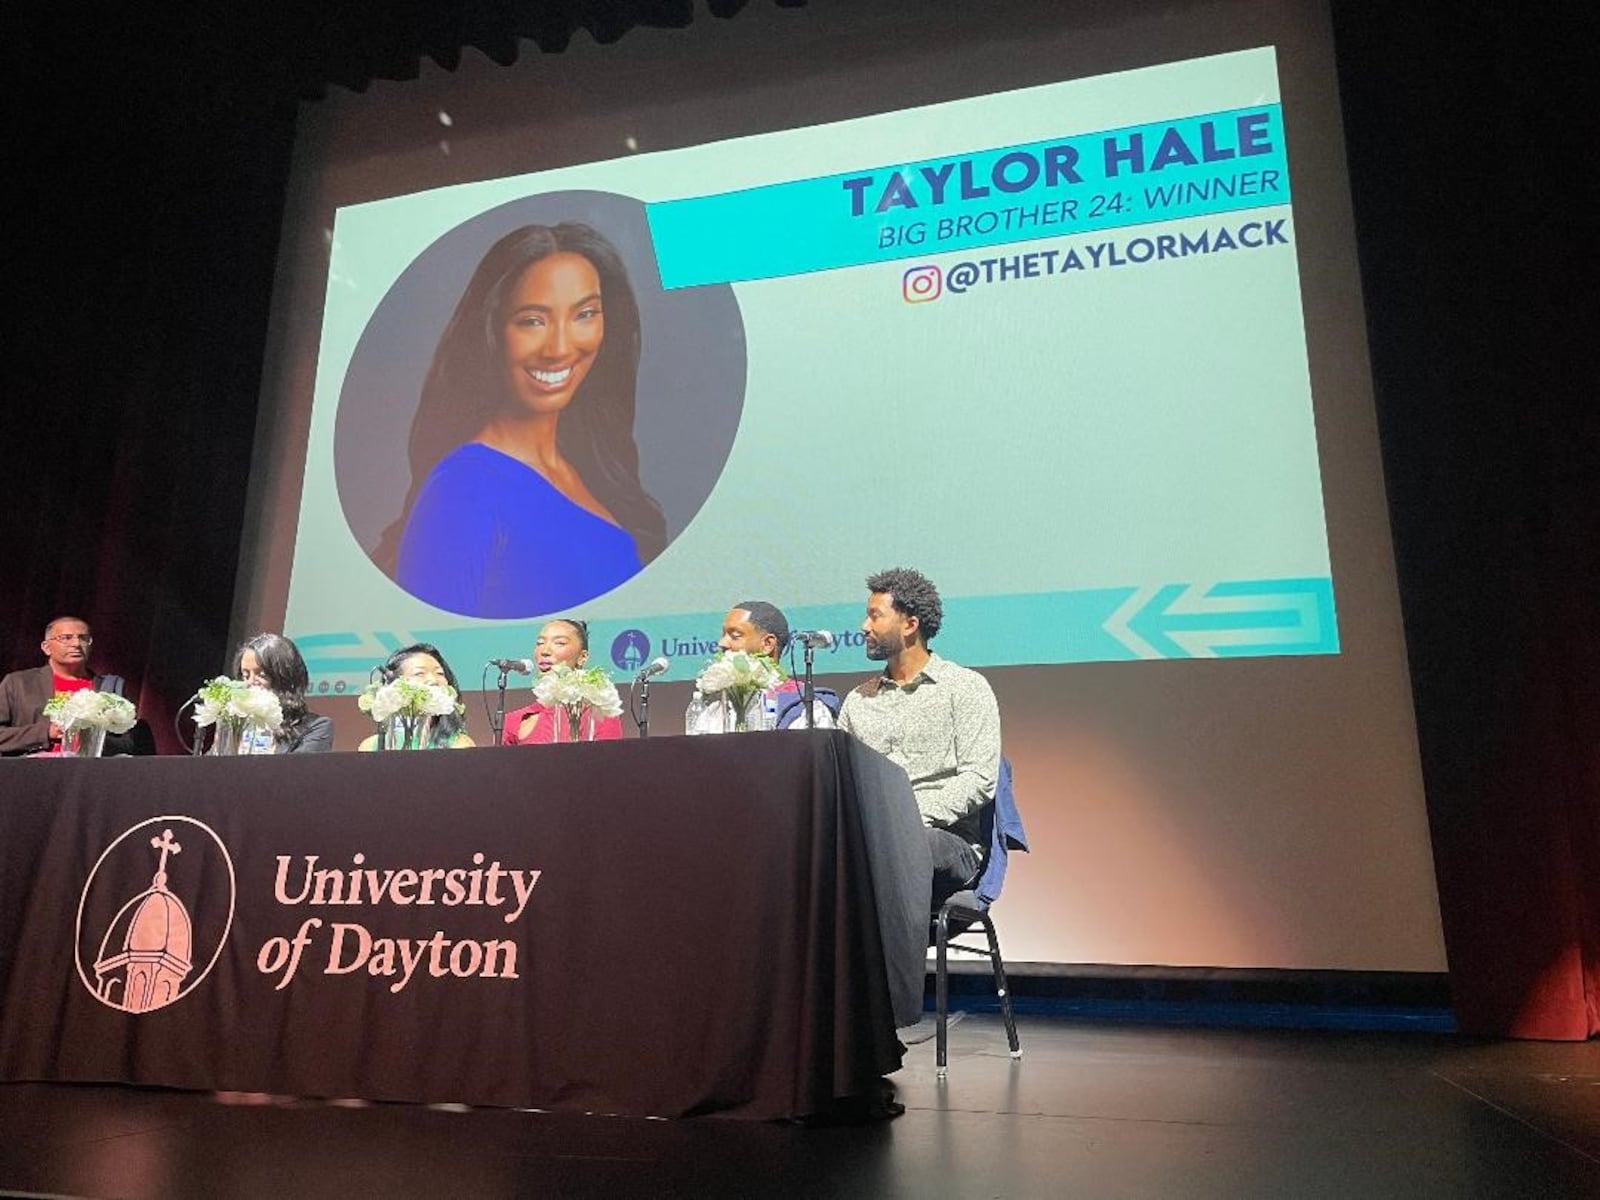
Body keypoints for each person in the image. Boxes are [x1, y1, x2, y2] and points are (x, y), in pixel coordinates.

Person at [378, 222, 667, 619]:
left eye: (585, 314)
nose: (561, 348)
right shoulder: (466, 488)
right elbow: (428, 662)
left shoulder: (589, 473)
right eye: (533, 320)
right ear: (492, 331)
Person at [836, 568, 1001, 908]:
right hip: (872, 838)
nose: (863, 627)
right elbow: (841, 781)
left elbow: (980, 778)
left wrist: (906, 818)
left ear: (910, 625)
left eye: (875, 616)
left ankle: (894, 963)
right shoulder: (858, 700)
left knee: (903, 845)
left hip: (946, 841)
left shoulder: (965, 688)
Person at [0, 616, 153, 756]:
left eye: (83, 638)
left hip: (88, 775)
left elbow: (128, 743)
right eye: (66, 638)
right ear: (46, 647)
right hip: (28, 773)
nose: (76, 644)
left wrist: (89, 737)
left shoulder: (109, 688)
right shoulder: (18, 683)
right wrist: (46, 733)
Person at [689, 601, 838, 732]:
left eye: (735, 636)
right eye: (723, 635)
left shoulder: (806, 705)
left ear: (767, 644)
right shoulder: (714, 707)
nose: (722, 643)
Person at [502, 618, 625, 745]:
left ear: (582, 657)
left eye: (559, 643)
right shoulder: (513, 721)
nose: (544, 651)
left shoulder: (599, 713)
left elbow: (611, 760)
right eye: (540, 643)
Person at [228, 633, 334, 754]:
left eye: (262, 675)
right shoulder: (234, 724)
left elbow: (300, 771)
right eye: (246, 676)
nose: (250, 682)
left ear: (284, 678)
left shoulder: (316, 727)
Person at [358, 643, 475, 750]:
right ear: (394, 683)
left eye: (440, 673)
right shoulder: (371, 746)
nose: (433, 680)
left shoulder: (459, 745)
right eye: (420, 673)